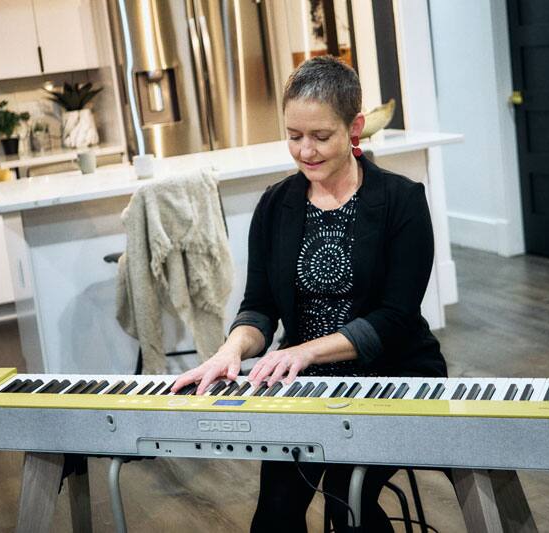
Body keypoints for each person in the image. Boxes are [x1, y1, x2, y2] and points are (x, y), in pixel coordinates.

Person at [172, 55, 446, 533]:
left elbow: (396, 317)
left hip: (393, 373)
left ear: (354, 127)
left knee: (348, 500)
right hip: (305, 382)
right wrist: (231, 349)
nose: (306, 151)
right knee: (274, 515)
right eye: (294, 135)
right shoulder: (275, 205)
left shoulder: (401, 200)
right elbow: (259, 307)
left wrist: (304, 351)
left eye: (320, 136)